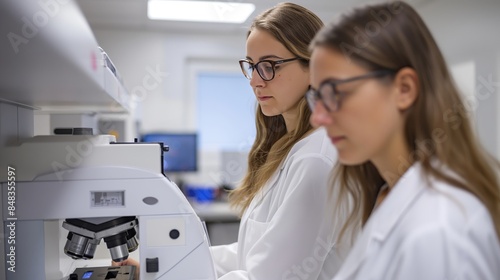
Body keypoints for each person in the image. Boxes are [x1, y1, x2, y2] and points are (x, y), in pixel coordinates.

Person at [306, 1, 500, 279]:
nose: (318, 118)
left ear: (404, 88)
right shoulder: (387, 193)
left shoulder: (439, 231)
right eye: (317, 98)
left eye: (334, 92)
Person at [210, 2, 348, 280]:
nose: (255, 81)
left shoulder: (317, 160)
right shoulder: (290, 148)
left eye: (270, 66)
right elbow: (254, 254)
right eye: (252, 66)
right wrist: (172, 261)